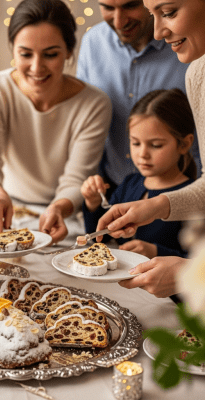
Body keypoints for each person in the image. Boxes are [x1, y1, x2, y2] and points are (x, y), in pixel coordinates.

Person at [0, 0, 112, 243]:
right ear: (13, 49)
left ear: (69, 52)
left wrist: (58, 208)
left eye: (51, 54)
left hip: (65, 214)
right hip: (7, 207)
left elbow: (76, 178)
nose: (37, 67)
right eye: (25, 54)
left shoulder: (94, 103)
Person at [96, 0, 205, 297]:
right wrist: (155, 207)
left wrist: (189, 271)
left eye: (168, 13)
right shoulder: (198, 73)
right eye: (152, 15)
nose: (157, 32)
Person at [76, 0, 201, 196]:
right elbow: (84, 123)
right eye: (108, 7)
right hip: (114, 189)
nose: (118, 22)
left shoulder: (190, 44)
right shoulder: (92, 42)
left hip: (186, 191)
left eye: (130, 5)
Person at [82, 89, 196, 259]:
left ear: (184, 144)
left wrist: (156, 252)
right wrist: (93, 203)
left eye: (156, 145)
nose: (143, 154)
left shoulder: (192, 199)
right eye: (135, 143)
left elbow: (197, 263)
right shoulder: (130, 183)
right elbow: (101, 237)